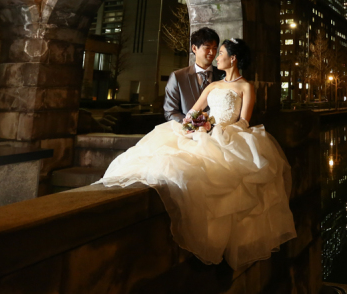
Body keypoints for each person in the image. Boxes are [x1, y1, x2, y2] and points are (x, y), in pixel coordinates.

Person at [98, 38, 296, 269]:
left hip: (228, 137)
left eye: (220, 52)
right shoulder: (212, 86)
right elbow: (192, 112)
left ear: (233, 58)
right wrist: (196, 125)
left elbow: (243, 122)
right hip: (204, 132)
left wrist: (214, 129)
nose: (216, 56)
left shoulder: (245, 87)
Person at [163, 27, 225, 122]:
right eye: (207, 48)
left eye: (214, 48)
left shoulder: (224, 75)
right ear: (194, 48)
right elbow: (170, 112)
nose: (212, 52)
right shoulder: (178, 77)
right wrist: (192, 126)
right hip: (187, 133)